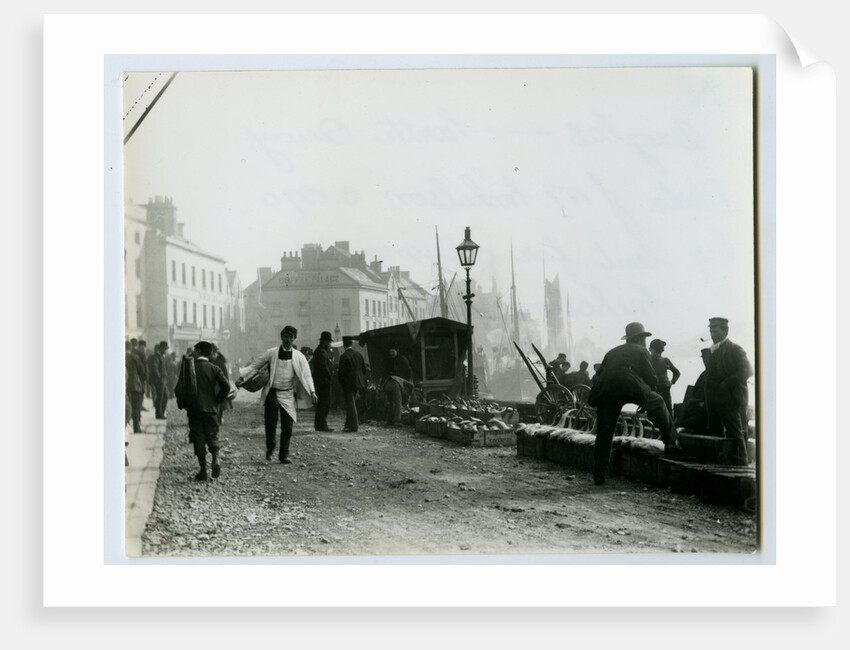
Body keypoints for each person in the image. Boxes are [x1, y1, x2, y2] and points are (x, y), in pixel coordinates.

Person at [587, 322, 678, 485]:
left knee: (605, 431)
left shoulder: (612, 352)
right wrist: (647, 397)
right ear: (640, 339)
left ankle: (599, 474)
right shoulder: (642, 350)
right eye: (644, 338)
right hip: (630, 384)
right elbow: (650, 377)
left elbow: (597, 375)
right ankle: (671, 442)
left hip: (606, 390)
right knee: (658, 401)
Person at [238, 325, 317, 463]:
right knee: (270, 425)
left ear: (294, 339)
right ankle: (270, 446)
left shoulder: (299, 357)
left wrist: (312, 391)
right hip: (273, 393)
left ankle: (284, 455)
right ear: (281, 337)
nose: (288, 340)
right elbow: (255, 365)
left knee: (287, 426)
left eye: (291, 337)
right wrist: (243, 377)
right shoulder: (271, 353)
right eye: (286, 336)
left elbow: (307, 375)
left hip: (288, 394)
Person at [175, 340, 231, 480]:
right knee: (212, 435)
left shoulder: (189, 368)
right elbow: (226, 386)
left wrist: (183, 403)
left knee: (198, 437)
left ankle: (203, 471)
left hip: (194, 409)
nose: (193, 352)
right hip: (211, 409)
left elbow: (178, 389)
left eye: (195, 350)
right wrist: (217, 400)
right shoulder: (214, 368)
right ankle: (216, 460)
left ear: (199, 351)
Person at [704, 317, 754, 466]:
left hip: (731, 397)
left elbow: (748, 370)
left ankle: (742, 461)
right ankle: (720, 460)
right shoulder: (711, 350)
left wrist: (727, 383)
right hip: (713, 397)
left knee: (735, 431)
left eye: (715, 330)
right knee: (715, 431)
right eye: (711, 330)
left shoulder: (735, 349)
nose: (712, 334)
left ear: (725, 330)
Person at [675, 348, 712, 433]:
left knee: (679, 424)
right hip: (697, 407)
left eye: (706, 358)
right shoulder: (704, 373)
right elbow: (695, 391)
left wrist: (704, 403)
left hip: (706, 412)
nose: (704, 361)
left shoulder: (715, 374)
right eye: (703, 358)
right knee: (678, 422)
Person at [337, 336, 368, 432]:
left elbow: (341, 373)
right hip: (359, 383)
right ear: (351, 344)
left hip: (348, 384)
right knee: (352, 403)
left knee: (350, 404)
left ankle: (354, 426)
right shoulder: (358, 354)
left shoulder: (344, 356)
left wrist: (342, 383)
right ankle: (348, 424)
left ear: (344, 345)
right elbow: (364, 370)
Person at [648, 338, 681, 420]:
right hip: (652, 392)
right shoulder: (647, 361)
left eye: (660, 352)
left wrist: (672, 382)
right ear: (650, 349)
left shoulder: (666, 360)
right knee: (652, 416)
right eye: (656, 351)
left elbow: (677, 372)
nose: (659, 354)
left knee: (668, 414)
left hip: (665, 390)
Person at [382, 347, 413, 427]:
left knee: (391, 402)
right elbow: (385, 372)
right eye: (390, 352)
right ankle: (397, 421)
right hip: (394, 383)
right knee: (398, 402)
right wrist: (409, 393)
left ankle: (389, 421)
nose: (391, 353)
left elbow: (408, 372)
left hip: (391, 382)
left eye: (393, 351)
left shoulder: (403, 360)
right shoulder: (389, 361)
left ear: (397, 351)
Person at [311, 331, 335, 432]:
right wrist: (329, 375)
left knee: (321, 403)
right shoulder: (321, 352)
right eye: (329, 342)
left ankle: (319, 425)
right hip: (323, 381)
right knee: (324, 403)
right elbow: (323, 367)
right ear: (325, 342)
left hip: (319, 381)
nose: (330, 344)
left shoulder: (319, 351)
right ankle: (322, 425)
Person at [125, 338, 146, 433]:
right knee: (136, 407)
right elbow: (143, 371)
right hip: (135, 386)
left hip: (126, 385)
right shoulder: (135, 357)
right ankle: (136, 428)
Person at [209, 343, 231, 424]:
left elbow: (225, 376)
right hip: (210, 386)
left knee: (219, 404)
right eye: (211, 353)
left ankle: (219, 418)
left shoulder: (221, 362)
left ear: (216, 353)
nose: (212, 355)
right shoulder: (209, 361)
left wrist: (226, 385)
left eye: (214, 353)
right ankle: (215, 418)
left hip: (219, 386)